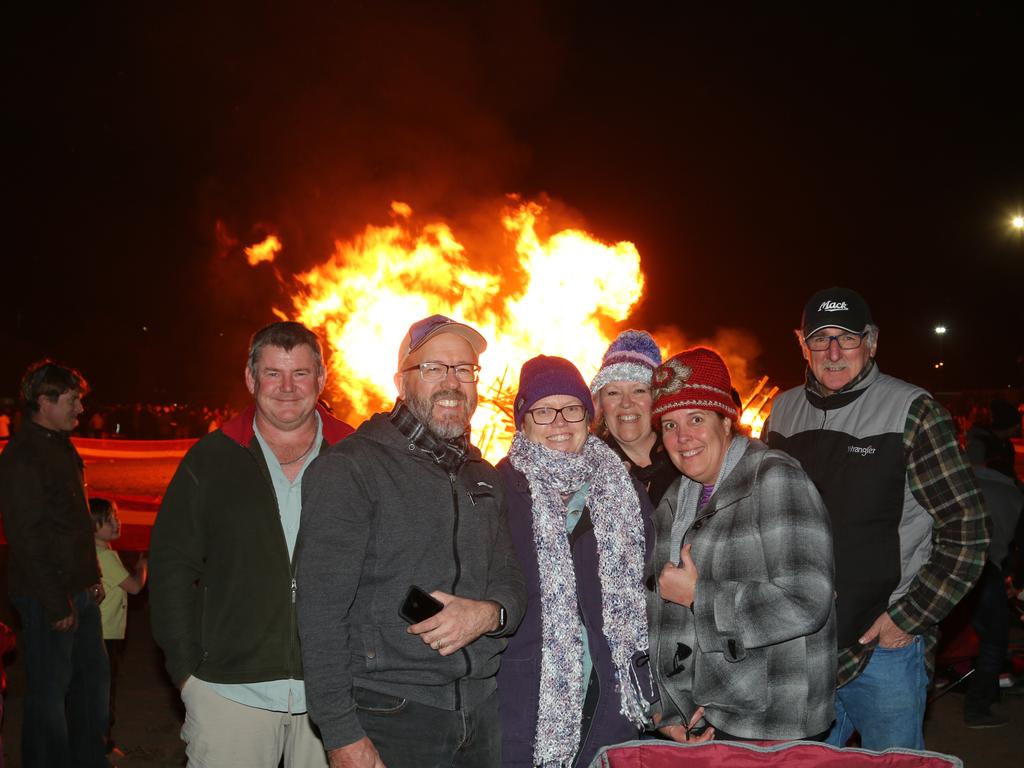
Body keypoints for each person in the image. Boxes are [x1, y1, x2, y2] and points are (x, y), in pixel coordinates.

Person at [296, 314, 527, 768]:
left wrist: (489, 614)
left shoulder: (483, 476)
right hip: (390, 712)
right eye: (434, 368)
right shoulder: (352, 468)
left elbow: (510, 576)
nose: (452, 382)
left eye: (463, 370)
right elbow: (319, 613)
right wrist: (341, 735)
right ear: (401, 381)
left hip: (480, 712)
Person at [764, 287, 988, 750]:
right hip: (799, 649)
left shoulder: (913, 411)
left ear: (872, 341)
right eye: (820, 338)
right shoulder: (781, 411)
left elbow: (968, 531)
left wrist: (908, 618)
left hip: (883, 650)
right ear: (800, 343)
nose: (832, 352)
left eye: (847, 338)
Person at [149, 321, 355, 768]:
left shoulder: (358, 455)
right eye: (272, 373)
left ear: (321, 379)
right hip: (228, 691)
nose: (286, 387)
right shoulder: (211, 458)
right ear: (250, 378)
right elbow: (170, 567)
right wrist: (187, 675)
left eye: (300, 373)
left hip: (337, 697)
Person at [648, 347, 836, 741]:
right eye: (668, 425)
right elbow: (667, 620)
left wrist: (701, 596)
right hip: (709, 714)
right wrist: (671, 709)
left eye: (696, 419)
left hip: (773, 722)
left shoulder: (774, 479)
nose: (683, 438)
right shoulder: (674, 500)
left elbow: (807, 601)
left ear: (726, 420)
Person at [497, 355, 658, 767]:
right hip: (525, 697)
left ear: (589, 417)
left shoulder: (624, 493)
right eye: (544, 411)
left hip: (610, 696)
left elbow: (650, 590)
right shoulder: (497, 492)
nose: (559, 422)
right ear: (523, 421)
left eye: (571, 409)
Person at [0, 359, 110, 767]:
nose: (80, 409)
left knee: (91, 693)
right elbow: (28, 538)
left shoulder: (58, 444)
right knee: (48, 698)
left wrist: (91, 576)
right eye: (73, 400)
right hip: (50, 597)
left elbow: (73, 522)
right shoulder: (23, 457)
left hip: (77, 590)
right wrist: (54, 602)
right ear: (44, 401)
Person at [961, 432, 1022, 727]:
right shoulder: (1012, 493)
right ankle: (977, 707)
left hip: (949, 568)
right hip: (986, 572)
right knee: (994, 641)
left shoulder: (957, 482)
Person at [590, 330, 680, 506]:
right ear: (601, 405)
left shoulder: (687, 455)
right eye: (613, 392)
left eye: (639, 390)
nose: (626, 403)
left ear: (656, 398)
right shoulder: (587, 471)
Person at [91, 496, 148, 753]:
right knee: (104, 691)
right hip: (107, 634)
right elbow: (135, 587)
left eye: (116, 516)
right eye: (110, 519)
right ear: (94, 526)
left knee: (94, 688)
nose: (118, 522)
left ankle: (95, 742)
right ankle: (102, 746)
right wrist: (143, 568)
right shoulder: (108, 558)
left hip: (95, 631)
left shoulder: (93, 553)